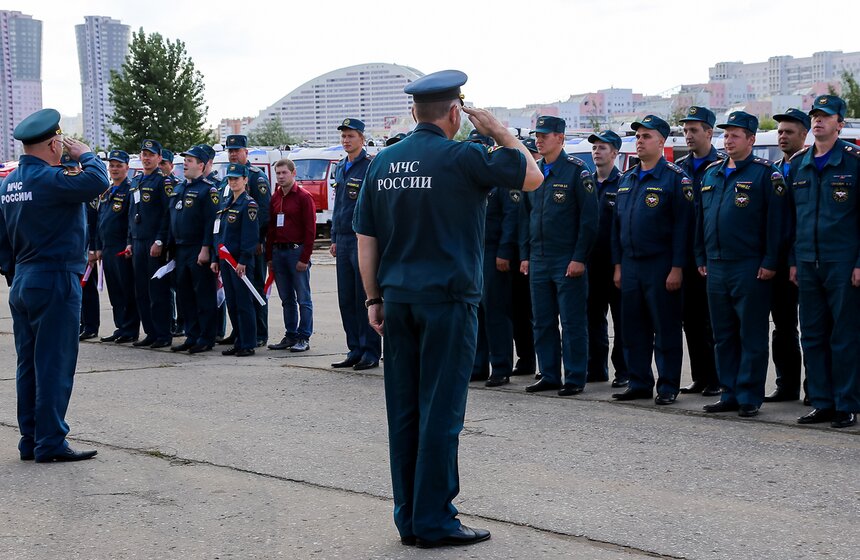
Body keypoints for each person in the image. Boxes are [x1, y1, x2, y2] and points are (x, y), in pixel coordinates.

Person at [353, 69, 542, 548]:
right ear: (456, 113)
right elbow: (533, 176)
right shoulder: (465, 156)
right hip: (449, 302)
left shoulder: (383, 162)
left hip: (396, 301)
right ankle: (435, 519)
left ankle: (410, 519)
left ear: (414, 112)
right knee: (441, 413)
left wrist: (374, 298)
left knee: (405, 412)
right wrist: (498, 132)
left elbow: (365, 239)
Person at [0, 108, 108, 462]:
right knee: (54, 364)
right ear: (53, 143)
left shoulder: (9, 184)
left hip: (23, 281)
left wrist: (16, 277)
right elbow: (97, 181)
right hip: (54, 278)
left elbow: (3, 243)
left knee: (28, 365)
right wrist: (86, 155)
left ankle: (30, 439)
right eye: (60, 144)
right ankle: (50, 441)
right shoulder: (49, 179)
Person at [696, 111, 788, 417]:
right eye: (726, 134)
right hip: (716, 265)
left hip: (750, 266)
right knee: (723, 334)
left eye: (735, 135)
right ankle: (729, 392)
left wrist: (771, 261)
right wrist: (700, 256)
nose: (729, 140)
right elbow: (702, 219)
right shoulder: (712, 172)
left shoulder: (766, 174)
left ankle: (749, 395)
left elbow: (777, 224)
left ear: (751, 139)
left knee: (751, 334)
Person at [611, 115, 693, 405]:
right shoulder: (627, 178)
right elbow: (616, 227)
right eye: (638, 137)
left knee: (666, 327)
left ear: (661, 141)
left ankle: (668, 384)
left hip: (661, 264)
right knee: (633, 327)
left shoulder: (675, 178)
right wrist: (618, 265)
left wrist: (677, 267)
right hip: (631, 265)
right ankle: (639, 381)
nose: (640, 141)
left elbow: (684, 228)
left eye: (646, 136)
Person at [789, 95, 860, 429]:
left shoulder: (854, 161)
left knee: (844, 336)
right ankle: (822, 401)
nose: (818, 121)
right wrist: (793, 260)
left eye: (825, 116)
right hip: (807, 260)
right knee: (813, 335)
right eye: (815, 115)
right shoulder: (799, 163)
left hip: (842, 261)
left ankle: (847, 403)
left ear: (840, 123)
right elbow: (792, 218)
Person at [520, 116, 598, 396]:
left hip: (566, 258)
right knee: (542, 320)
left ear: (560, 138)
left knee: (572, 321)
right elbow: (527, 217)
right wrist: (526, 254)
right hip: (539, 257)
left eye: (545, 135)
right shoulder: (535, 172)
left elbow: (589, 220)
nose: (539, 140)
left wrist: (579, 257)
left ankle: (575, 376)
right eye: (537, 135)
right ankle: (549, 373)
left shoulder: (578, 172)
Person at [466, 129, 519, 387]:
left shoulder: (499, 179)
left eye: (479, 145)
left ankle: (500, 367)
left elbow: (511, 217)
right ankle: (477, 365)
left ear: (489, 148)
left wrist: (504, 252)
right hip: (472, 253)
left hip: (493, 252)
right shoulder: (466, 179)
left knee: (496, 312)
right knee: (475, 312)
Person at [676, 107, 722, 396]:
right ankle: (700, 376)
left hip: (711, 253)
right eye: (685, 130)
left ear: (709, 132)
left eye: (694, 130)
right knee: (690, 320)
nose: (688, 135)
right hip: (686, 253)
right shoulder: (680, 166)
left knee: (713, 322)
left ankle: (717, 377)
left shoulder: (720, 164)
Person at [764, 108, 809, 403]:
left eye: (789, 131)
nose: (782, 136)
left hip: (807, 259)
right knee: (783, 328)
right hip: (778, 264)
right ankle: (787, 385)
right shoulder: (774, 171)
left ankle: (817, 388)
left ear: (804, 135)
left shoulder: (809, 168)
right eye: (780, 131)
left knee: (815, 329)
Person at [329, 118, 381, 369]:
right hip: (343, 239)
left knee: (365, 296)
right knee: (346, 298)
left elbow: (374, 206)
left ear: (362, 138)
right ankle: (354, 349)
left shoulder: (370, 166)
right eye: (343, 137)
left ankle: (370, 351)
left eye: (350, 136)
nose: (346, 141)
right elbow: (339, 206)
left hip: (362, 239)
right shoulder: (341, 167)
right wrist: (334, 238)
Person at [586, 130, 628, 388]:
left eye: (603, 147)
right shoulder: (587, 183)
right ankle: (596, 367)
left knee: (621, 321)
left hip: (615, 265)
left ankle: (623, 370)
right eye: (595, 148)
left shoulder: (624, 183)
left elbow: (623, 227)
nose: (597, 152)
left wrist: (620, 265)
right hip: (591, 263)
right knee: (593, 318)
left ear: (615, 153)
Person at [168, 145, 220, 354]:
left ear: (201, 165)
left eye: (190, 160)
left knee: (203, 295)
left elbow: (211, 222)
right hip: (180, 249)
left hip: (198, 249)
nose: (185, 163)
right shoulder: (180, 188)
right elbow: (171, 218)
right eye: (185, 160)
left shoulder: (208, 190)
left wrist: (206, 248)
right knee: (184, 294)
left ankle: (206, 337)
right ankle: (192, 334)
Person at [224, 135, 271, 347]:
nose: (233, 154)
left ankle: (259, 332)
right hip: (234, 245)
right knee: (237, 294)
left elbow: (263, 211)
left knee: (255, 287)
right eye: (230, 151)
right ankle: (240, 332)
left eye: (237, 150)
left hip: (253, 245)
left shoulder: (255, 177)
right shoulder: (230, 177)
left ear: (246, 152)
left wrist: (258, 240)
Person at [125, 139, 173, 348]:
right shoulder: (136, 181)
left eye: (151, 155)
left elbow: (167, 214)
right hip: (137, 242)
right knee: (142, 291)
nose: (146, 158)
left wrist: (160, 240)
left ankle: (163, 334)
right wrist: (129, 241)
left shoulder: (163, 182)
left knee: (157, 291)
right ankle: (151, 332)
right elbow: (130, 214)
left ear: (159, 158)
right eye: (144, 154)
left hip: (154, 244)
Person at [265, 158, 316, 352]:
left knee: (303, 298)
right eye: (277, 173)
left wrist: (304, 258)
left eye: (284, 173)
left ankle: (304, 337)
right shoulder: (275, 197)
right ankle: (290, 335)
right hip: (279, 253)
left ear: (294, 173)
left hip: (296, 252)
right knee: (286, 298)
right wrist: (269, 257)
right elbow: (271, 229)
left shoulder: (303, 197)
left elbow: (311, 230)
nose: (280, 177)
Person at [212, 163, 259, 357]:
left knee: (244, 303)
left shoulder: (249, 205)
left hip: (240, 262)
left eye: (236, 179)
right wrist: (216, 258)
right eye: (230, 179)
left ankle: (248, 343)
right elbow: (219, 232)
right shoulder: (226, 203)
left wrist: (244, 260)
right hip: (225, 261)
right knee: (232, 302)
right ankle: (239, 340)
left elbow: (250, 237)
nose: (232, 182)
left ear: (245, 180)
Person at [95, 149, 140, 344]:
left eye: (119, 166)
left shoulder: (129, 191)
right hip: (107, 248)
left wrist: (129, 244)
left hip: (122, 248)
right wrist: (97, 246)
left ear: (127, 168)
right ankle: (120, 326)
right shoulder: (107, 192)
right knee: (114, 290)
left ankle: (130, 328)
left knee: (126, 289)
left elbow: (131, 221)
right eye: (112, 166)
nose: (114, 169)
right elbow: (99, 222)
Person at [67, 154, 101, 341]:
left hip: (87, 248)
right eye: (68, 169)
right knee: (76, 290)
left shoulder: (88, 194)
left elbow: (95, 224)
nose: (71, 172)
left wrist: (92, 249)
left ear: (80, 170)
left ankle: (90, 326)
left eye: (73, 169)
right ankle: (81, 323)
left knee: (87, 289)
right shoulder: (65, 192)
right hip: (73, 251)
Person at [514, 137, 538, 378]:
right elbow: (523, 223)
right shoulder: (515, 181)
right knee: (521, 314)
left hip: (535, 257)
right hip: (524, 257)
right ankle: (527, 360)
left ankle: (533, 360)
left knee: (530, 314)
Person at [160, 147, 184, 338]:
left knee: (179, 284)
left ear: (171, 165)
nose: (161, 167)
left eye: (164, 164)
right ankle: (171, 320)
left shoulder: (175, 185)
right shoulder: (158, 183)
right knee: (166, 285)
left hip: (176, 241)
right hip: (164, 240)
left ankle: (180, 322)